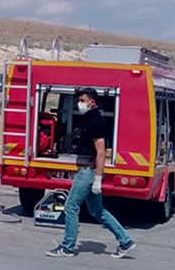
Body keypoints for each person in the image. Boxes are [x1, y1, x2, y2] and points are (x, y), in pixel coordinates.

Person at [47, 87, 136, 258]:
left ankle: (67, 247)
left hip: (87, 172)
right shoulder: (89, 119)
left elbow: (101, 152)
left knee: (71, 207)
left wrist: (97, 179)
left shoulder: (95, 121)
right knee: (97, 211)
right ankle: (125, 241)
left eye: (82, 100)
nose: (79, 104)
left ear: (91, 102)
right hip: (89, 171)